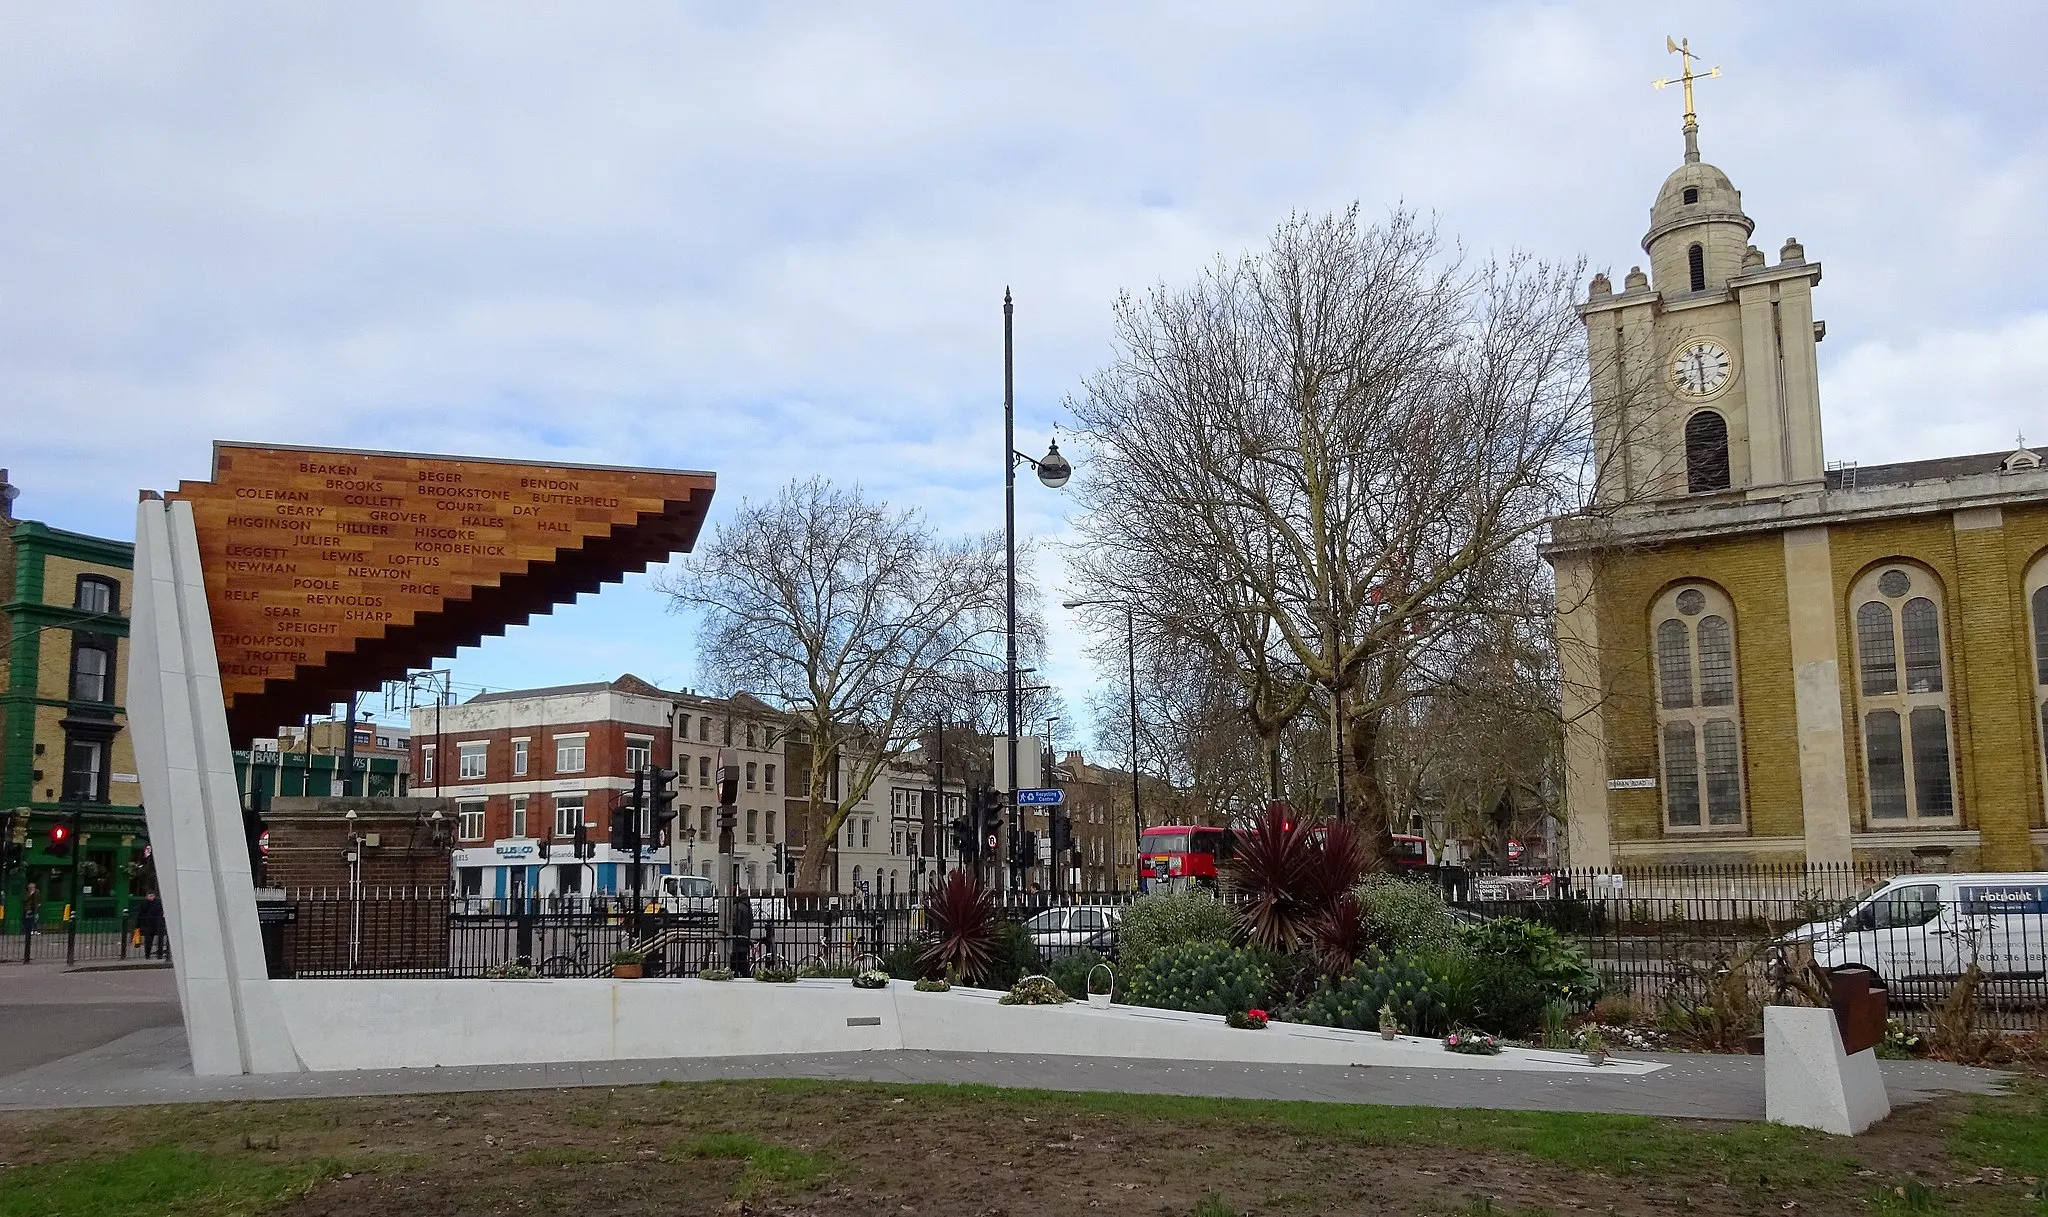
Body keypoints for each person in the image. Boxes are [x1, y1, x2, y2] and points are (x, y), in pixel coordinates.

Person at [728, 893, 754, 978]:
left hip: (737, 938)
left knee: (736, 960)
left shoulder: (737, 907)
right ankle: (744, 975)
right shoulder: (748, 908)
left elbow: (735, 924)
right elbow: (751, 924)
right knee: (742, 959)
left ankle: (740, 975)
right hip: (745, 937)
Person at [138, 890, 168, 959]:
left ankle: (159, 955)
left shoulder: (158, 903)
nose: (151, 897)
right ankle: (147, 955)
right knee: (148, 940)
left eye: (152, 896)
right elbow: (141, 914)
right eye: (149, 896)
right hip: (148, 924)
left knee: (160, 940)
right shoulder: (145, 904)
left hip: (157, 923)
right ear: (147, 896)